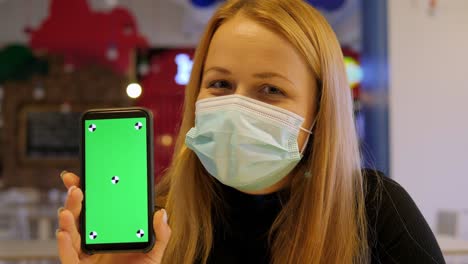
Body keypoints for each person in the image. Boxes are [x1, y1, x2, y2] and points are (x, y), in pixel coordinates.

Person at [57, 0, 446, 263]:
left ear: (320, 111)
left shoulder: (373, 210)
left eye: (271, 90)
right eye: (221, 85)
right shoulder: (160, 220)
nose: (236, 108)